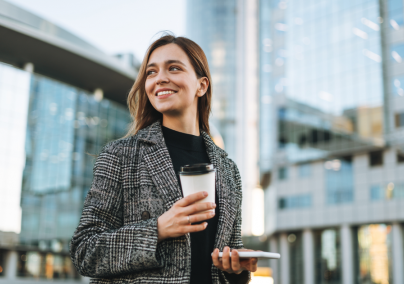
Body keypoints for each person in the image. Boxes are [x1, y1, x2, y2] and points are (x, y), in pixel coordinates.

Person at [70, 34, 258, 284]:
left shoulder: (229, 169)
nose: (160, 78)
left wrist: (236, 268)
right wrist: (158, 229)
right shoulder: (121, 155)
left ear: (201, 86)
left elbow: (230, 258)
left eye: (174, 68)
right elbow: (85, 252)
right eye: (151, 72)